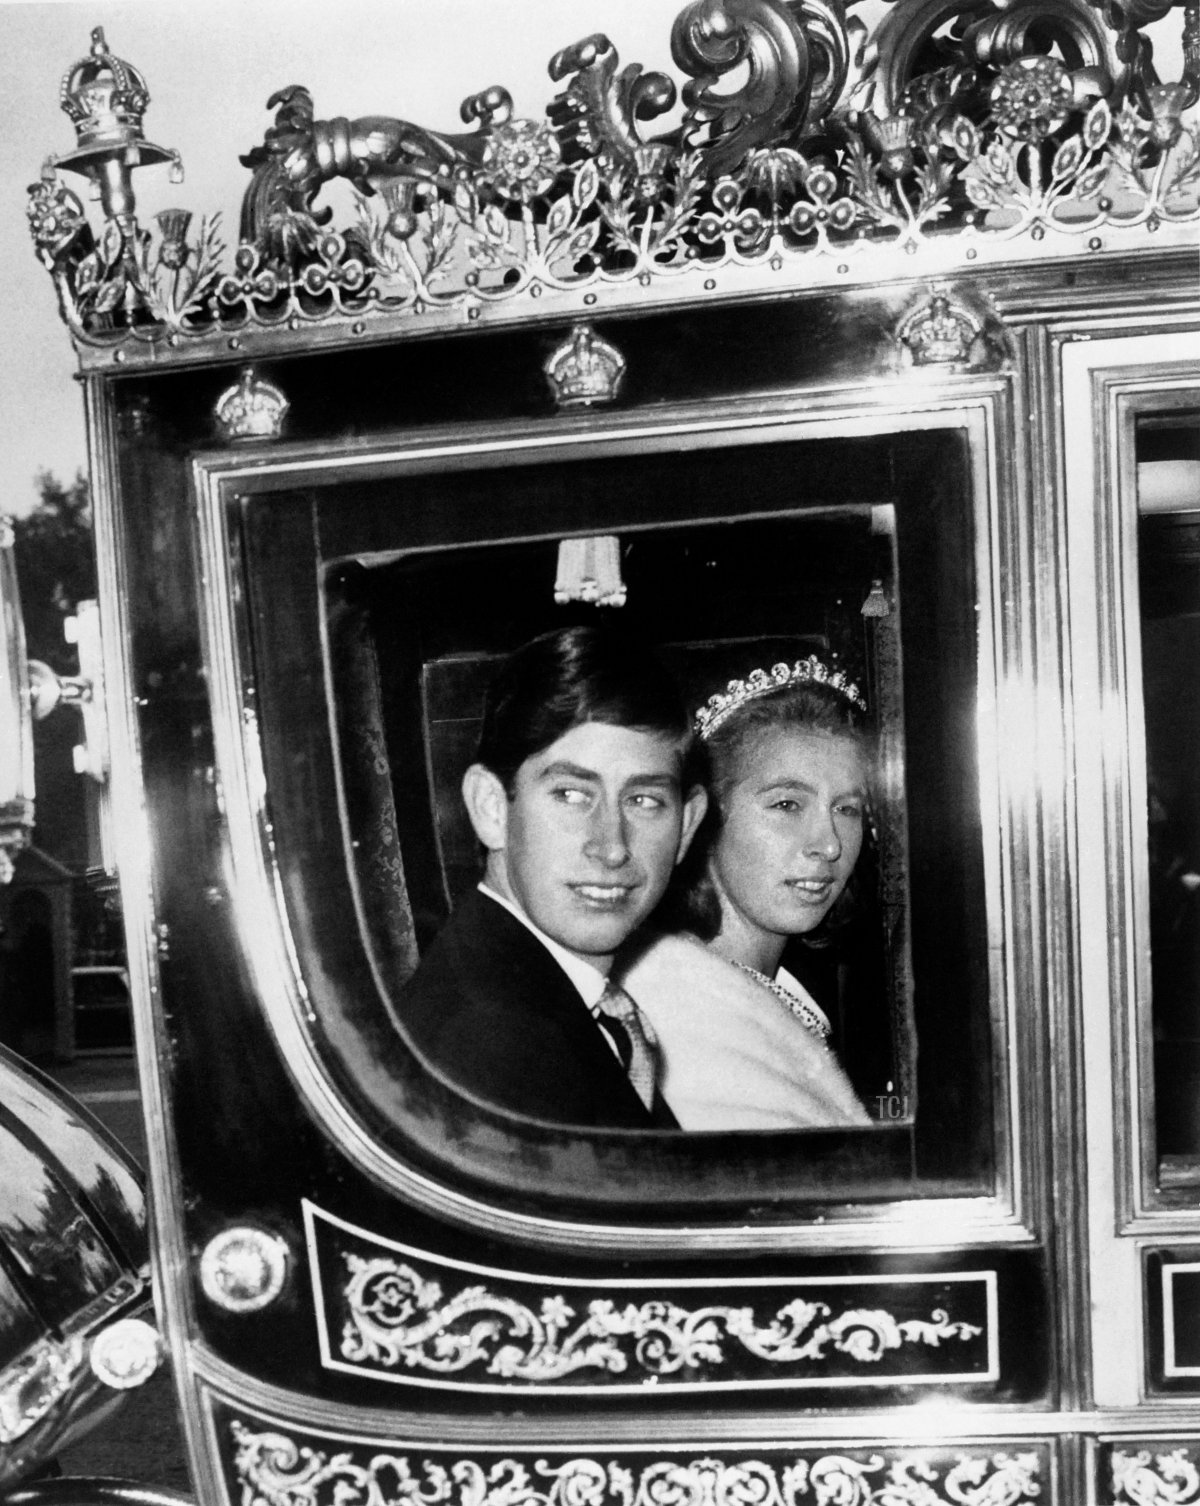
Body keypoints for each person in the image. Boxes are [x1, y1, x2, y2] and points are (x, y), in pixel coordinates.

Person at [400, 624, 707, 1128]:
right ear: (491, 808)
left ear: (687, 827)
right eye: (571, 795)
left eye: (645, 800)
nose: (612, 847)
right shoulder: (490, 1045)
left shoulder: (536, 999)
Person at [617, 657, 872, 1131]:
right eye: (787, 804)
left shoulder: (777, 993)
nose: (830, 843)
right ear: (704, 818)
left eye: (848, 808)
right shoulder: (678, 1019)